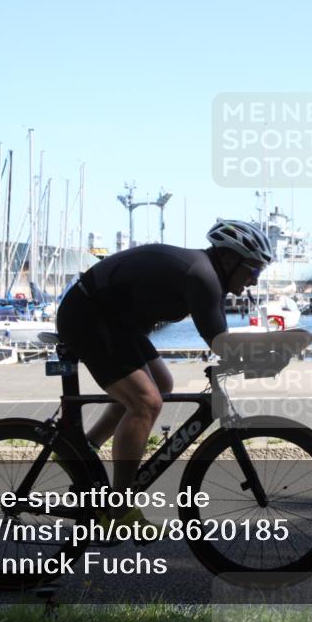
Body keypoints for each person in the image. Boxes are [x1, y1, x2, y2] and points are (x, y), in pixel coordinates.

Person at [55, 219, 273, 538]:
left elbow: (220, 338)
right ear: (229, 259)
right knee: (145, 402)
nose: (254, 281)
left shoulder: (209, 275)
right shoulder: (202, 275)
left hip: (114, 322)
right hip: (88, 316)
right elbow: (220, 342)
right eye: (253, 271)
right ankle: (120, 507)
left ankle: (81, 450)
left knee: (162, 385)